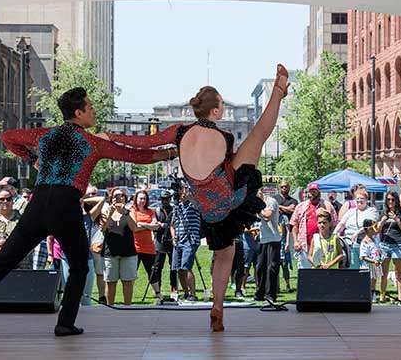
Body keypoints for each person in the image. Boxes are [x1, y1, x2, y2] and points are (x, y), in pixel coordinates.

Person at [0, 87, 173, 338]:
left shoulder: (45, 135)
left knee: (1, 264)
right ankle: (65, 323)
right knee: (79, 267)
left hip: (39, 201)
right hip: (65, 203)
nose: (94, 110)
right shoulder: (93, 143)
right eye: (90, 107)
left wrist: (30, 158)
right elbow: (133, 155)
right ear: (78, 113)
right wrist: (168, 154)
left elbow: (8, 136)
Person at [103, 64, 289, 331]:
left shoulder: (179, 133)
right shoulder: (223, 135)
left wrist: (109, 136)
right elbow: (228, 164)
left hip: (208, 209)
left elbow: (142, 144)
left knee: (223, 253)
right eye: (222, 104)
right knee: (258, 135)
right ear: (215, 110)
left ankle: (217, 307)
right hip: (229, 198)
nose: (223, 108)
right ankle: (278, 92)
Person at [100, 188, 139, 306]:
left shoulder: (129, 212)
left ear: (125, 198)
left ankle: (127, 307)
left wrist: (125, 212)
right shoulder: (106, 212)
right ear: (111, 199)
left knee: (127, 282)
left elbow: (134, 227)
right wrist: (110, 213)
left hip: (128, 253)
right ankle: (110, 308)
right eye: (115, 196)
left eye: (120, 195)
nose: (118, 198)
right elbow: (102, 228)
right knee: (110, 282)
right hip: (110, 253)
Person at [290, 183, 337, 270]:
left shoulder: (327, 205)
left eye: (314, 191)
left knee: (322, 270)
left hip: (323, 243)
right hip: (305, 244)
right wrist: (296, 241)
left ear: (319, 192)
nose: (312, 193)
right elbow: (294, 225)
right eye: (310, 191)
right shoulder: (301, 206)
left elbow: (334, 224)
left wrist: (330, 238)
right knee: (305, 271)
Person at [171, 185, 202, 301]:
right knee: (178, 268)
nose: (183, 192)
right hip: (179, 241)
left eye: (185, 189)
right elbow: (172, 225)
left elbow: (199, 208)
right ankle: (186, 292)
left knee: (186, 267)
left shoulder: (194, 203)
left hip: (191, 240)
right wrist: (174, 238)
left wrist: (190, 198)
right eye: (181, 189)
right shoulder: (177, 206)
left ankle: (193, 294)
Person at [335, 188, 378, 269]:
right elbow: (341, 224)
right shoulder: (351, 211)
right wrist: (334, 235)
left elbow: (369, 226)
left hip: (365, 244)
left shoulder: (372, 211)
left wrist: (357, 233)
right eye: (357, 198)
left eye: (362, 198)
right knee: (353, 268)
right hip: (350, 244)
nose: (359, 200)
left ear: (366, 200)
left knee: (366, 269)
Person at [378, 191, 401, 304]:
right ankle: (382, 296)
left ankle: (400, 298)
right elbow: (378, 230)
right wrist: (382, 222)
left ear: (397, 201)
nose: (390, 202)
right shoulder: (383, 212)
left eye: (393, 200)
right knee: (383, 272)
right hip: (385, 244)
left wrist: (396, 219)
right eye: (388, 199)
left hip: (398, 245)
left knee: (398, 273)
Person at [131, 190, 159, 297]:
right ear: (136, 199)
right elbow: (134, 227)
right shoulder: (132, 211)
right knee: (132, 273)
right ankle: (129, 294)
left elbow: (156, 226)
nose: (142, 200)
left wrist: (142, 224)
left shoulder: (150, 211)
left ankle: (157, 293)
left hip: (149, 247)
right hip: (135, 247)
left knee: (152, 272)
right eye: (140, 198)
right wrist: (148, 225)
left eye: (144, 199)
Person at [150, 190, 178, 301]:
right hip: (159, 242)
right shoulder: (156, 210)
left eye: (167, 199)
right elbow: (155, 224)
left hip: (171, 241)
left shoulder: (174, 210)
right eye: (163, 199)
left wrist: (164, 225)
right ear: (160, 200)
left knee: (173, 267)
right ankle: (158, 289)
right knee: (157, 267)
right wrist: (159, 225)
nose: (165, 201)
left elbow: (174, 224)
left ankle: (174, 288)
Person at [254, 189, 280, 302]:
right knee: (260, 267)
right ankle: (260, 293)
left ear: (261, 191)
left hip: (273, 239)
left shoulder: (271, 202)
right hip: (262, 239)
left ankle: (271, 295)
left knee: (271, 268)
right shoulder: (256, 204)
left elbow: (267, 216)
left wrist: (257, 208)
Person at [272, 180, 297, 292]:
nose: (284, 188)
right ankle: (275, 285)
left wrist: (279, 207)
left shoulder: (293, 200)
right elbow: (273, 208)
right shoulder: (274, 199)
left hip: (288, 233)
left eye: (286, 186)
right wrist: (285, 208)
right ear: (279, 187)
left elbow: (292, 210)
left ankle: (287, 285)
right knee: (274, 261)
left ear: (289, 188)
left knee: (285, 262)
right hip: (274, 233)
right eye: (282, 187)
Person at [360, 219, 382, 301]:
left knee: (374, 280)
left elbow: (376, 249)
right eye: (373, 228)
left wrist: (379, 252)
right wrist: (373, 261)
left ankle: (373, 294)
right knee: (368, 281)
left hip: (375, 265)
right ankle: (367, 296)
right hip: (368, 266)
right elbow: (363, 256)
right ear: (369, 229)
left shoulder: (375, 239)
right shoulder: (364, 242)